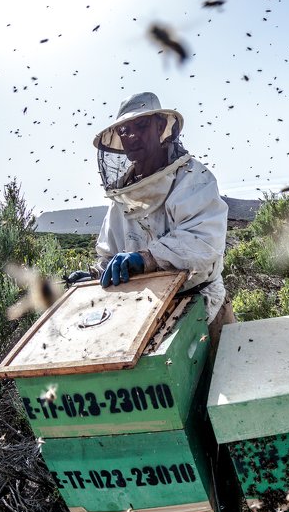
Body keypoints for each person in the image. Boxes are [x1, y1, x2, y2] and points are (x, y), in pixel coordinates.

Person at [67, 92, 234, 345]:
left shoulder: (193, 179)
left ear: (161, 126)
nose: (131, 136)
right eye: (124, 130)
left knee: (219, 381)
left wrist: (146, 258)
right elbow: (110, 253)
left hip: (200, 303)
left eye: (141, 125)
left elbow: (203, 242)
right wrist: (94, 275)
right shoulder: (122, 198)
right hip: (142, 311)